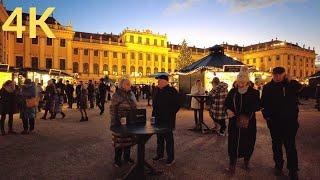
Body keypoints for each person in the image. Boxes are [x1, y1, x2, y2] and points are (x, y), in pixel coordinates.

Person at [261, 67, 302, 179]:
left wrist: (291, 80)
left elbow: (300, 89)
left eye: (280, 74)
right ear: (272, 75)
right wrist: (267, 117)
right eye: (275, 75)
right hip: (274, 123)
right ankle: (278, 165)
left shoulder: (290, 85)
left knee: (290, 146)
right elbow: (263, 104)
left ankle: (293, 169)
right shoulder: (267, 87)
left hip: (290, 122)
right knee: (276, 145)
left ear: (284, 74)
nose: (277, 77)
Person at [224, 66, 260, 174]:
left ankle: (246, 161)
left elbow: (257, 105)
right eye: (239, 81)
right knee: (233, 142)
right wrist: (228, 110)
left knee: (248, 142)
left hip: (248, 122)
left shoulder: (254, 93)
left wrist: (247, 115)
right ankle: (232, 165)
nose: (240, 84)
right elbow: (226, 103)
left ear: (247, 81)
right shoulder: (233, 92)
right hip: (234, 122)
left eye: (243, 82)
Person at [152, 75, 180, 166]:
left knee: (168, 139)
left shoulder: (172, 91)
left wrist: (170, 113)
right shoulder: (157, 90)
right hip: (158, 119)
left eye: (159, 81)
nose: (158, 83)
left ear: (165, 81)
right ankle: (160, 154)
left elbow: (177, 104)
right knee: (159, 138)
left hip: (168, 119)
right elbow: (155, 105)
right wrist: (153, 116)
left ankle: (171, 158)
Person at [109, 79, 137, 167]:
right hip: (119, 121)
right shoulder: (117, 95)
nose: (130, 85)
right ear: (122, 85)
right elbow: (113, 109)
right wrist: (114, 122)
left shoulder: (131, 94)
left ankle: (127, 157)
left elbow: (134, 106)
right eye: (127, 84)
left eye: (130, 84)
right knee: (119, 142)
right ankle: (117, 160)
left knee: (128, 140)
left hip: (129, 121)